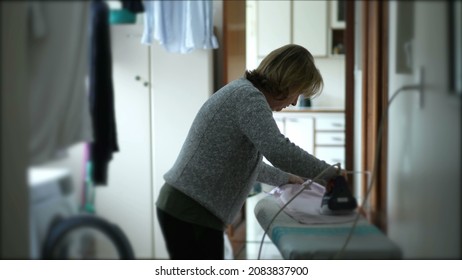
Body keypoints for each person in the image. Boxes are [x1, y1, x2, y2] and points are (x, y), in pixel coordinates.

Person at [156, 44, 340, 260]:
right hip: (190, 212)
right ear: (286, 81)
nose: (294, 102)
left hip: (188, 209)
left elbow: (246, 163)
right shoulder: (248, 97)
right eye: (297, 92)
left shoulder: (244, 93)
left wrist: (286, 178)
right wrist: (330, 173)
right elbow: (279, 150)